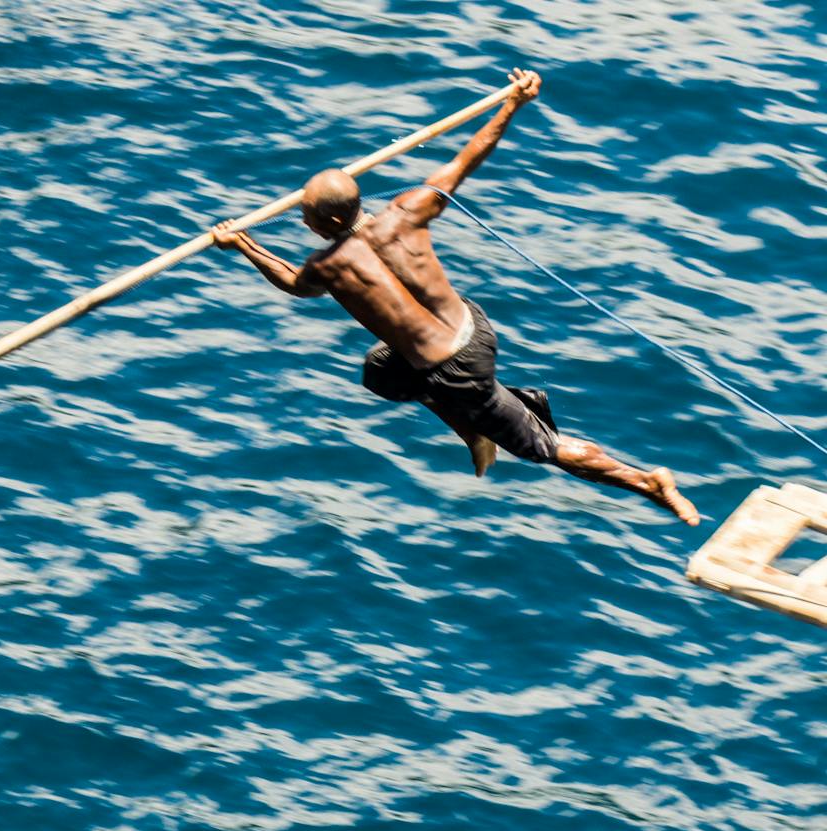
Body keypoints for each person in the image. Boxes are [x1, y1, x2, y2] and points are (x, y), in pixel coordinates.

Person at [212, 68, 700, 525]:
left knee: (541, 447)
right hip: (474, 328)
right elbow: (468, 157)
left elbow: (293, 283)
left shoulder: (330, 266)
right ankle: (478, 424)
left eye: (308, 217)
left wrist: (243, 244)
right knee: (381, 371)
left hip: (454, 369)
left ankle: (647, 481)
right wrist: (514, 103)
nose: (302, 222)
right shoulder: (409, 209)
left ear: (334, 222)